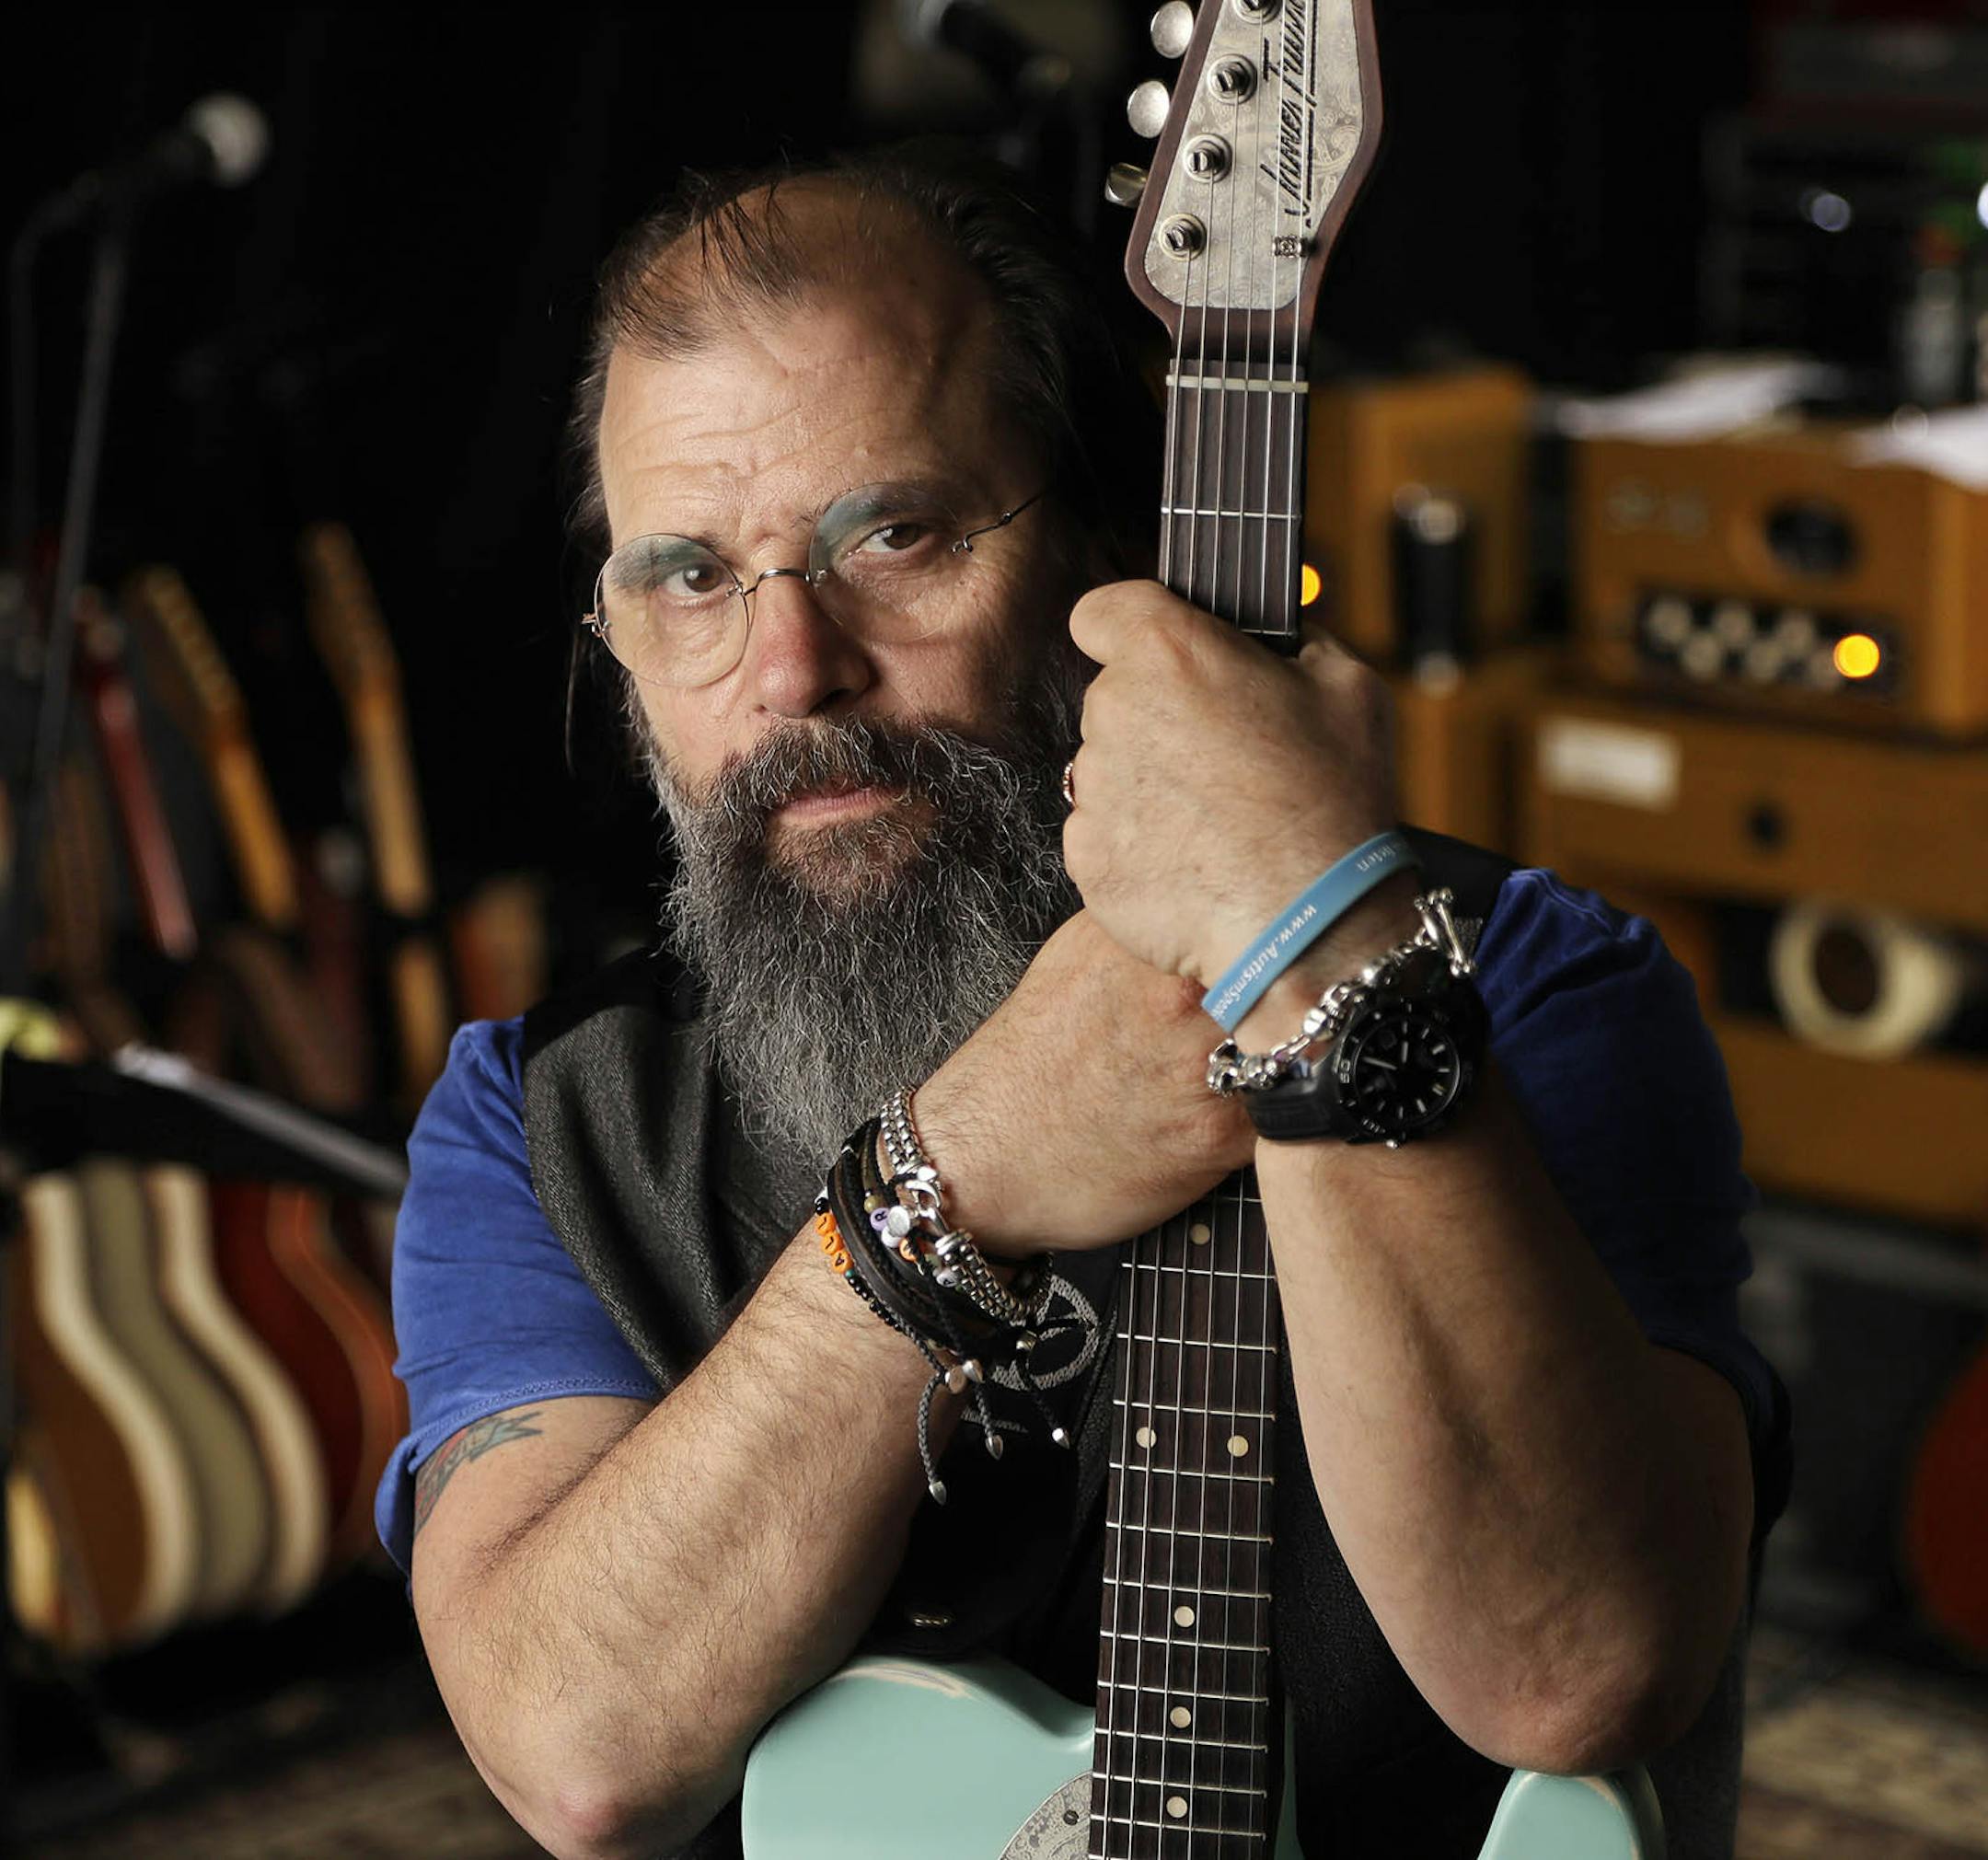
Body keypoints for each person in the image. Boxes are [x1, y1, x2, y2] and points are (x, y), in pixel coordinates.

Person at [378, 145, 1787, 1860]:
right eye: (690, 577)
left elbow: (1581, 1668)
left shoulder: (1541, 987)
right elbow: (577, 1750)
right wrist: (953, 1170)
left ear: (1113, 548)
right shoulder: (540, 1123)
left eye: (892, 535)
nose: (792, 667)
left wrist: (1315, 950)